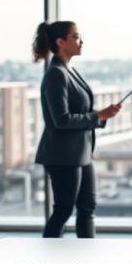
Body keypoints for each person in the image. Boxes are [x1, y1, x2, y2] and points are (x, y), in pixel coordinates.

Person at [33, 21, 121, 238]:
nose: (82, 41)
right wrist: (98, 115)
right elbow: (61, 120)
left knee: (87, 208)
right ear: (60, 42)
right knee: (63, 211)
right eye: (76, 36)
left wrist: (101, 116)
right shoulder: (56, 74)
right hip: (63, 156)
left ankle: (86, 257)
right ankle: (47, 257)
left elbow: (80, 113)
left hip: (81, 153)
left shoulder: (69, 70)